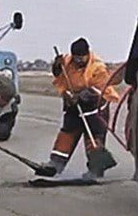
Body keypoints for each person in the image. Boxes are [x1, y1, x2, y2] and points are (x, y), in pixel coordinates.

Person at [33, 37, 119, 180]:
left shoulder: (98, 67)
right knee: (67, 133)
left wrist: (80, 97)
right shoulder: (67, 61)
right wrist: (56, 65)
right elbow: (59, 75)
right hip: (74, 106)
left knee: (94, 138)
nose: (78, 60)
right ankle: (55, 165)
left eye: (81, 57)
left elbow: (99, 89)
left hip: (95, 107)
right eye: (76, 57)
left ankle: (95, 169)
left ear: (87, 54)